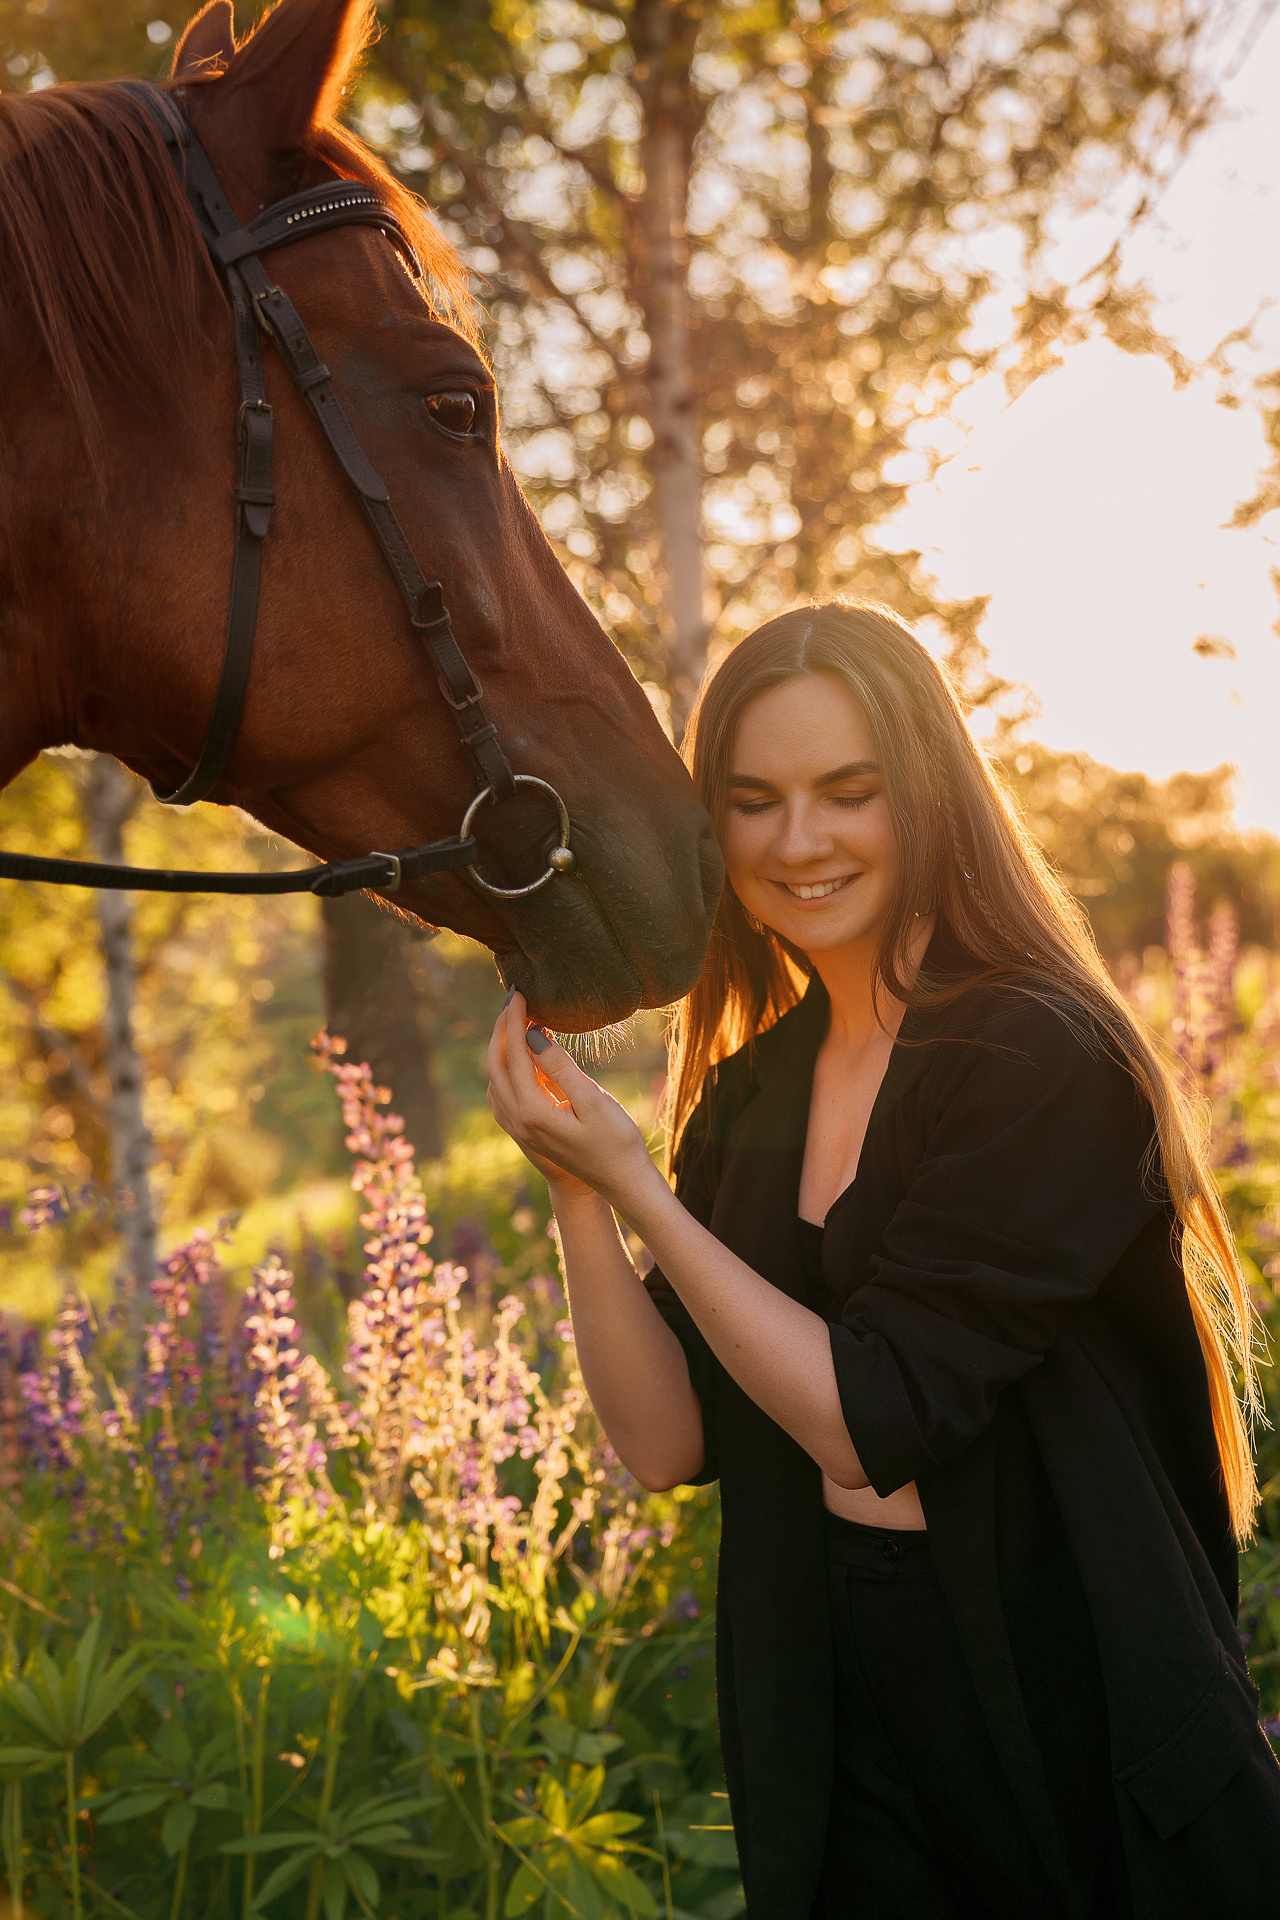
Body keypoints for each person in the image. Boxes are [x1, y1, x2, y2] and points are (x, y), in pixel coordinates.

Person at [486, 601, 1280, 1919]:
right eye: (755, 802)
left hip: (1064, 1689)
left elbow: (877, 1418)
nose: (799, 842)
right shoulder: (752, 1095)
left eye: (848, 794)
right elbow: (669, 1441)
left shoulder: (1038, 1055)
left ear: (928, 799)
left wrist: (642, 1187)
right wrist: (582, 1192)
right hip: (836, 1696)